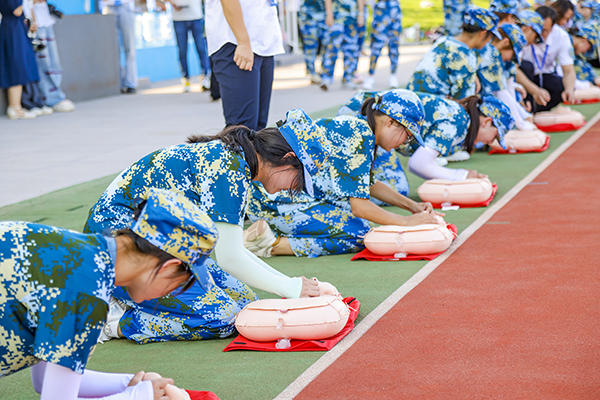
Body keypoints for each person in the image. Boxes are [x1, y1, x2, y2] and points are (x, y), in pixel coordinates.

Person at [84, 110, 330, 344]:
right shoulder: (229, 170)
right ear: (287, 160)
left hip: (156, 247)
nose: (292, 190)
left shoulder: (236, 161)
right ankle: (114, 319)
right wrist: (290, 287)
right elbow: (230, 258)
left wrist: (290, 283)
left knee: (246, 304)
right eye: (298, 181)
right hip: (120, 252)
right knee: (223, 319)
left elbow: (234, 250)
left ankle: (131, 299)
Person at [0, 188, 219, 400]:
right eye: (179, 285)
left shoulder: (71, 249)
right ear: (168, 268)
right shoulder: (87, 295)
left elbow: (46, 381)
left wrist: (130, 385)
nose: (169, 294)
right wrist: (140, 396)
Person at [244, 105, 443, 259]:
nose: (403, 143)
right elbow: (360, 207)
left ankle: (270, 231)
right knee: (362, 234)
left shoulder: (358, 127)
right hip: (275, 201)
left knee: (357, 219)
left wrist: (413, 207)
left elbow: (368, 185)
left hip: (278, 197)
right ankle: (272, 244)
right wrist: (407, 222)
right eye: (407, 136)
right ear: (390, 122)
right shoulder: (360, 134)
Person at [337, 89, 514, 181]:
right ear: (487, 122)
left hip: (372, 118)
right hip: (363, 117)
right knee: (392, 187)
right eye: (495, 136)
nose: (491, 142)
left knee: (383, 185)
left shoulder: (460, 120)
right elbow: (418, 164)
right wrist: (461, 176)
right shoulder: (457, 122)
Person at [205, 0, 283, 130]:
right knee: (242, 128)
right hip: (235, 42)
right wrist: (243, 42)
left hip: (262, 42)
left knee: (258, 128)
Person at [407, 5, 502, 100]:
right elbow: (465, 101)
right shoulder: (465, 56)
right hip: (429, 106)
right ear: (483, 34)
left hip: (411, 100)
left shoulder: (444, 40)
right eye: (491, 37)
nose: (489, 41)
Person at [520, 4, 577, 112]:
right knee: (526, 66)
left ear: (553, 27)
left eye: (545, 30)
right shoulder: (523, 34)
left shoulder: (561, 36)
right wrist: (534, 90)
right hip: (525, 77)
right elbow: (514, 68)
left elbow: (568, 70)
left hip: (546, 75)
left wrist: (569, 89)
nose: (540, 34)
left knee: (561, 86)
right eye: (538, 30)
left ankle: (539, 110)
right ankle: (527, 110)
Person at [24, 0, 75, 112]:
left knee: (53, 62)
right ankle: (50, 99)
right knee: (44, 63)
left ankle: (55, 96)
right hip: (34, 23)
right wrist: (32, 19)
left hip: (44, 19)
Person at [0, 0, 39, 119]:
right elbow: (17, 11)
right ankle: (15, 107)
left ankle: (16, 107)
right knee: (16, 65)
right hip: (13, 30)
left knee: (19, 64)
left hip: (15, 27)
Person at [165, 0, 211, 93]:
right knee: (182, 51)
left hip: (196, 16)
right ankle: (186, 79)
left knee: (201, 49)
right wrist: (172, 3)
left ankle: (205, 77)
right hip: (178, 18)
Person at [319, 0, 366, 91]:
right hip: (337, 18)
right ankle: (326, 78)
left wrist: (361, 13)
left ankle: (348, 79)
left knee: (351, 50)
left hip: (352, 18)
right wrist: (329, 14)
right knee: (332, 49)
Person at [361, 0, 403, 90]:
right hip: (380, 9)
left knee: (394, 45)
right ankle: (370, 75)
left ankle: (393, 75)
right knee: (376, 46)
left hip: (394, 9)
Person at [101, 0, 138, 94]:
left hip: (125, 6)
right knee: (112, 49)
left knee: (130, 47)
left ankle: (130, 84)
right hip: (109, 8)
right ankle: (118, 84)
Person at [298, 0, 327, 85]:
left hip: (324, 13)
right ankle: (312, 73)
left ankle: (323, 71)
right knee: (310, 45)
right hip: (308, 14)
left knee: (326, 44)